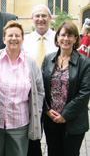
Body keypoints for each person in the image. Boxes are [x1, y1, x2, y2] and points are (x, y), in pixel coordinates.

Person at [0, 21, 44, 156]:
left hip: (19, 125)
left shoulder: (30, 62)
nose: (14, 38)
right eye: (10, 35)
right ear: (3, 39)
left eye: (17, 36)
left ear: (22, 39)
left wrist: (37, 112)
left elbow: (40, 90)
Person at [42, 20, 90, 156]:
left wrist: (65, 115)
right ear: (57, 37)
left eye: (70, 35)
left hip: (73, 122)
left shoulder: (84, 63)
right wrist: (47, 110)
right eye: (63, 35)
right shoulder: (48, 59)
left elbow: (84, 93)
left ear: (76, 39)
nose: (66, 39)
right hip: (51, 120)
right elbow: (41, 89)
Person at [22, 4, 58, 156]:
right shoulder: (25, 41)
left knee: (54, 140)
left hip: (53, 97)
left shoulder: (59, 39)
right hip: (32, 96)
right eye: (37, 16)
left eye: (44, 16)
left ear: (50, 18)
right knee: (32, 141)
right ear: (32, 19)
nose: (41, 19)